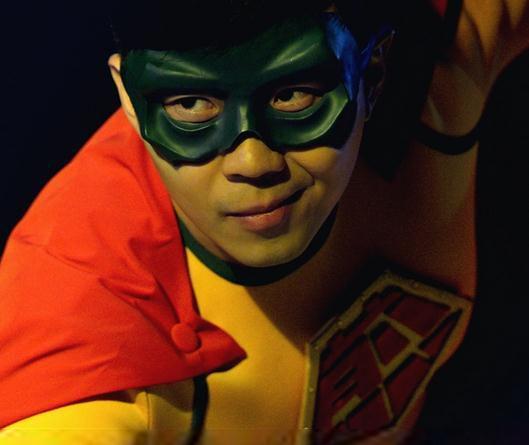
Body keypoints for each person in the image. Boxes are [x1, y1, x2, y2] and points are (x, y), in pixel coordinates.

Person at [0, 0, 528, 443]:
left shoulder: (432, 73)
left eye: (292, 94)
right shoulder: (79, 311)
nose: (253, 164)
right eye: (191, 104)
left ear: (371, 73)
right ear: (129, 99)